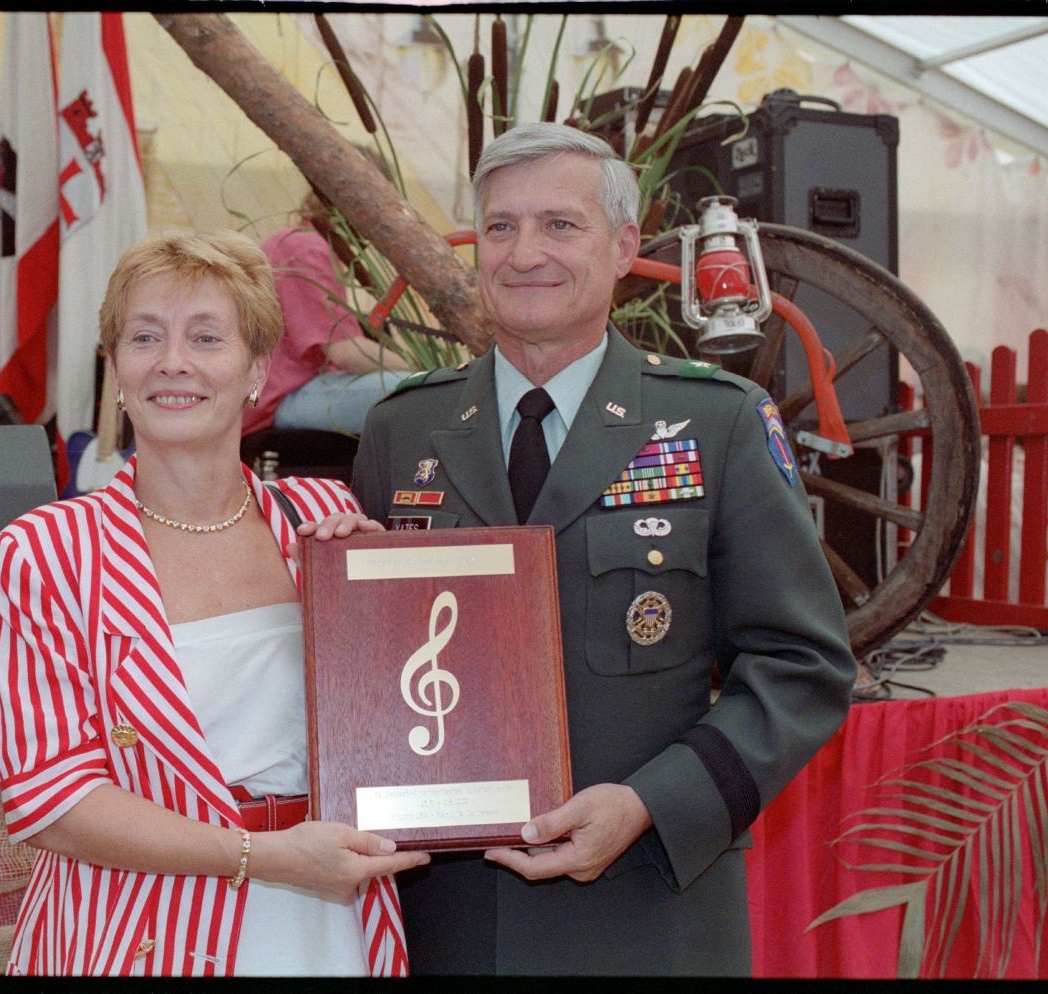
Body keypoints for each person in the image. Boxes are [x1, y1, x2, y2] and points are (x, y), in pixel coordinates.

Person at [349, 122, 858, 975]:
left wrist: (651, 805)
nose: (524, 253)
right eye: (501, 227)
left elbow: (800, 664)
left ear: (624, 246)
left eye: (560, 224)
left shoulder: (715, 423)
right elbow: (366, 663)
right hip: (444, 916)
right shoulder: (404, 429)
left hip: (647, 910)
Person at [0, 230, 427, 977]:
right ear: (118, 369)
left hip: (331, 925)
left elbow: (413, 721)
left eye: (206, 338)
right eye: (145, 337)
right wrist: (264, 857)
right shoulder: (45, 549)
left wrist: (387, 600)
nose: (172, 363)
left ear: (257, 369)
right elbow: (50, 800)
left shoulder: (323, 519)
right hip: (137, 929)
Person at [244, 183, 412, 438]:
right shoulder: (305, 247)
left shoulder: (299, 241)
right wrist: (426, 372)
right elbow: (346, 351)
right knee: (418, 394)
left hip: (278, 393)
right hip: (277, 398)